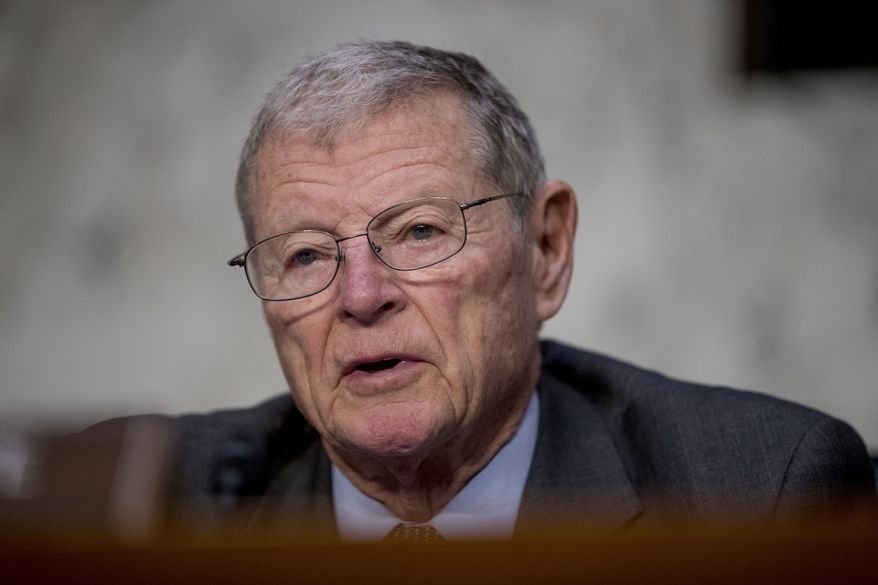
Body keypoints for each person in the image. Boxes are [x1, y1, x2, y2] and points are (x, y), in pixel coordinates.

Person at [170, 40, 873, 541]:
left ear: (546, 249)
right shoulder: (155, 503)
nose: (360, 295)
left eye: (418, 231)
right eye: (304, 253)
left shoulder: (760, 494)